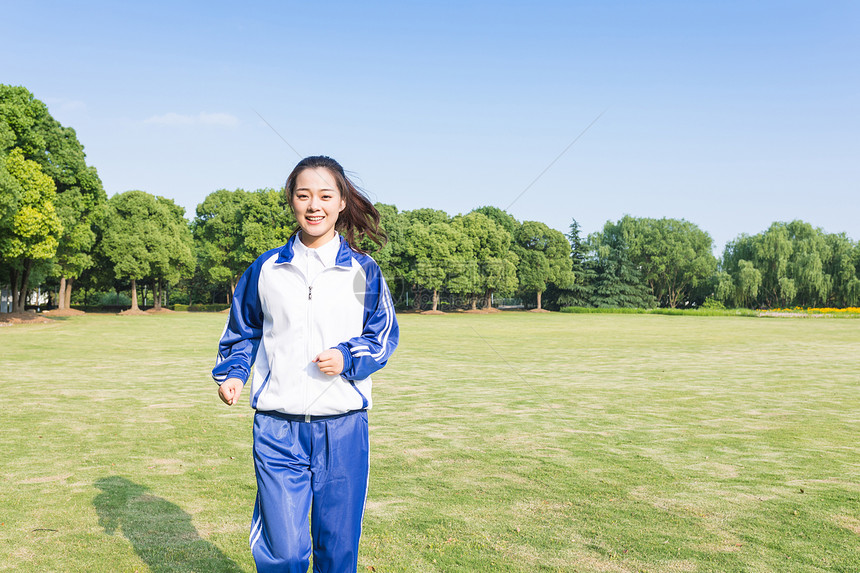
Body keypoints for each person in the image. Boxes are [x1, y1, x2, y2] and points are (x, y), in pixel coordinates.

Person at [212, 155, 399, 573]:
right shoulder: (266, 270)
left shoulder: (363, 271)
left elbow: (383, 337)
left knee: (337, 552)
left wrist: (348, 356)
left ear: (340, 202)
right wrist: (234, 374)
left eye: (325, 195)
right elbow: (243, 331)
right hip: (278, 428)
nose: (314, 204)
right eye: (303, 195)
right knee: (286, 552)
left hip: (344, 428)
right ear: (292, 201)